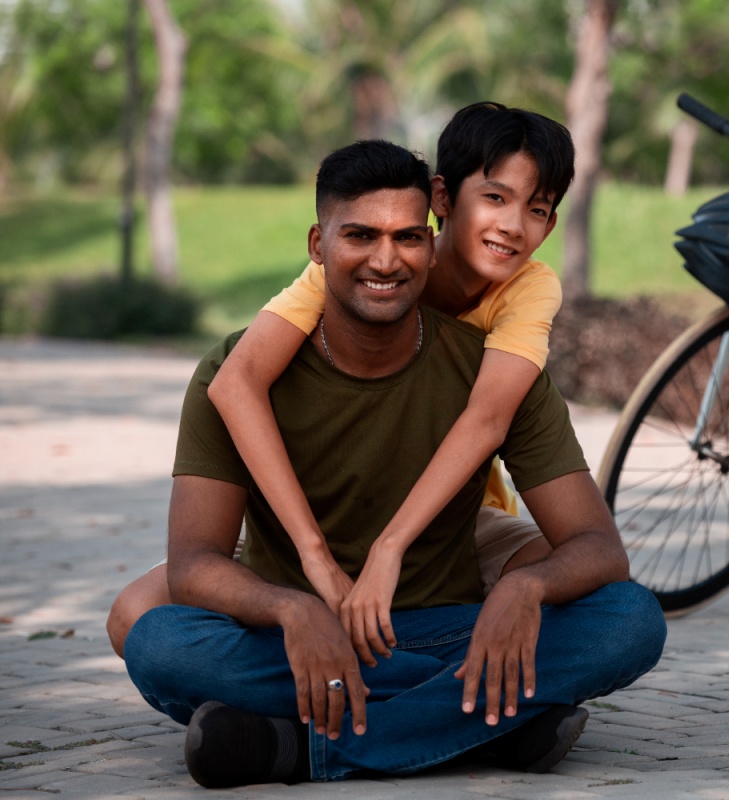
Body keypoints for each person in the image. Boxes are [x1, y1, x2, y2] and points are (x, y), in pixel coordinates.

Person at [120, 140, 666, 787]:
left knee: (628, 621)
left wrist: (526, 587)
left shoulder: (492, 369)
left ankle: (298, 748)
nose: (386, 259)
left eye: (408, 237)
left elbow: (598, 547)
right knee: (162, 644)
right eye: (360, 236)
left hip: (445, 626)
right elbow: (193, 564)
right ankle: (494, 721)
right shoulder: (236, 370)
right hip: (294, 632)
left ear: (432, 245)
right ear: (319, 245)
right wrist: (292, 611)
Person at [106, 102, 575, 663]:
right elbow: (237, 383)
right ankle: (464, 704)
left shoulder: (529, 288)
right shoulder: (356, 266)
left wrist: (392, 548)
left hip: (455, 510)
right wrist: (311, 555)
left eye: (538, 209)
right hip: (315, 513)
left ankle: (302, 720)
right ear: (444, 199)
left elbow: (488, 418)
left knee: (588, 585)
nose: (512, 225)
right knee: (139, 616)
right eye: (495, 198)